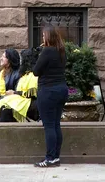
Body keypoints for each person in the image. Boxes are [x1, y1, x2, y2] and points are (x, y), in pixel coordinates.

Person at [33, 25, 68, 168]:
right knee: (55, 124)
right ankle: (56, 157)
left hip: (48, 91)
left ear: (48, 37)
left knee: (48, 126)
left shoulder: (47, 51)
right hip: (61, 90)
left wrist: (40, 54)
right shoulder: (61, 51)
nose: (42, 38)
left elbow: (36, 71)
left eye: (43, 36)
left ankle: (50, 158)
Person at [0, 47, 38, 123]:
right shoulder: (1, 73)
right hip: (5, 97)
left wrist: (1, 98)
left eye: (3, 57)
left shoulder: (18, 75)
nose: (0, 58)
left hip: (15, 99)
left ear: (10, 60)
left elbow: (16, 92)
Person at [0, 47, 40, 122]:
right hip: (21, 99)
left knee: (5, 109)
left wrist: (14, 93)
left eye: (22, 60)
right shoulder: (24, 74)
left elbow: (32, 94)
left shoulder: (33, 75)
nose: (20, 62)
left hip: (32, 102)